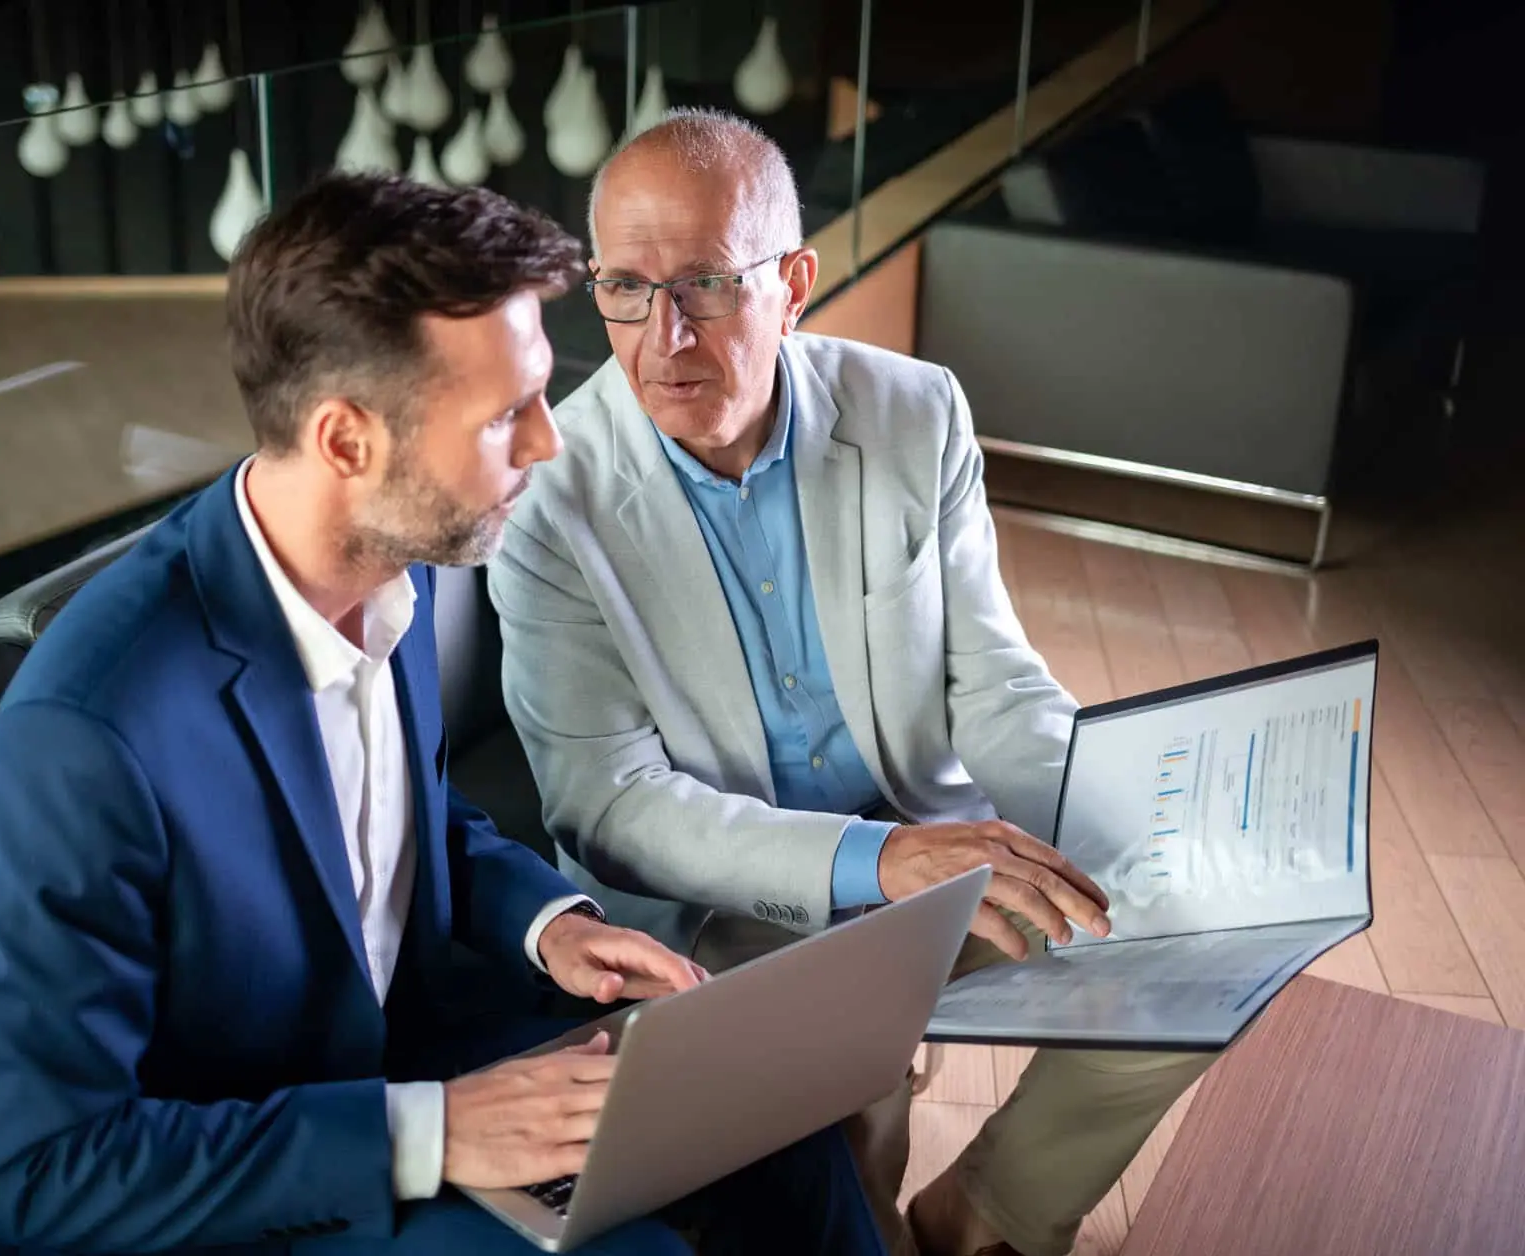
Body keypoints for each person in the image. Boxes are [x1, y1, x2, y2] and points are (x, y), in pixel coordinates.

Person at [0, 172, 889, 1256]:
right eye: (503, 416)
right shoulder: (85, 733)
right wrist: (437, 1132)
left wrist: (553, 925)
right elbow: (34, 1172)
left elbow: (397, 819)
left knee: (771, 1117)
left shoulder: (401, 554)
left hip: (405, 1057)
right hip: (239, 1178)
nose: (546, 442)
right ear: (348, 441)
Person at [484, 109, 1211, 1256]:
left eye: (708, 285)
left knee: (1193, 931)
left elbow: (995, 688)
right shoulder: (547, 500)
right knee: (844, 1197)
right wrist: (871, 864)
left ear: (794, 283)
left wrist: (1137, 812)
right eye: (624, 288)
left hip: (935, 851)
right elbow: (607, 807)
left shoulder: (915, 413)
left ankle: (996, 1217)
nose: (662, 335)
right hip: (722, 917)